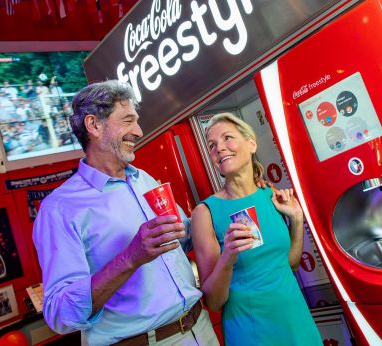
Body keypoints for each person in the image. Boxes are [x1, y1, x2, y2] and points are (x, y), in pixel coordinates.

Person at [32, 80, 219, 346]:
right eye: (128, 120)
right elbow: (60, 314)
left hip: (200, 329)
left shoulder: (144, 179)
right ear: (94, 125)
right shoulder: (59, 209)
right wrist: (130, 258)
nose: (139, 131)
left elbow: (183, 238)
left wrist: (227, 203)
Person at [191, 113, 322, 345]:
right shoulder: (205, 213)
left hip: (296, 322)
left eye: (227, 138)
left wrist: (297, 220)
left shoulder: (270, 196)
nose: (219, 148)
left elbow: (290, 264)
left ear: (251, 143)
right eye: (212, 145)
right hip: (251, 331)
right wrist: (228, 257)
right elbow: (213, 301)